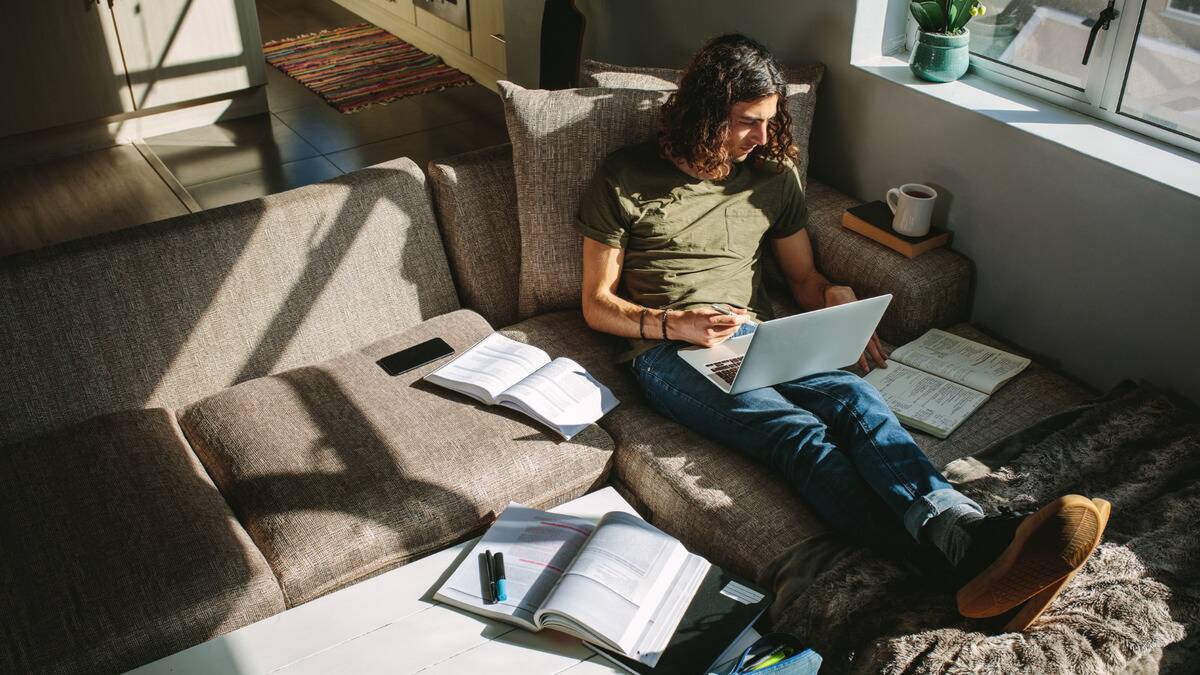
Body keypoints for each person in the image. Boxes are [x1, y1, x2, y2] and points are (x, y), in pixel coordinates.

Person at [574, 33, 1108, 631]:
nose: (760, 137)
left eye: (768, 121)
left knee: (857, 400)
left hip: (759, 336)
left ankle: (967, 532)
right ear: (705, 112)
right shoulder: (625, 176)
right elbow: (596, 305)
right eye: (747, 122)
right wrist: (677, 323)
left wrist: (832, 296)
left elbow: (802, 277)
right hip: (666, 353)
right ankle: (962, 571)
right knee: (798, 433)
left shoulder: (771, 177)